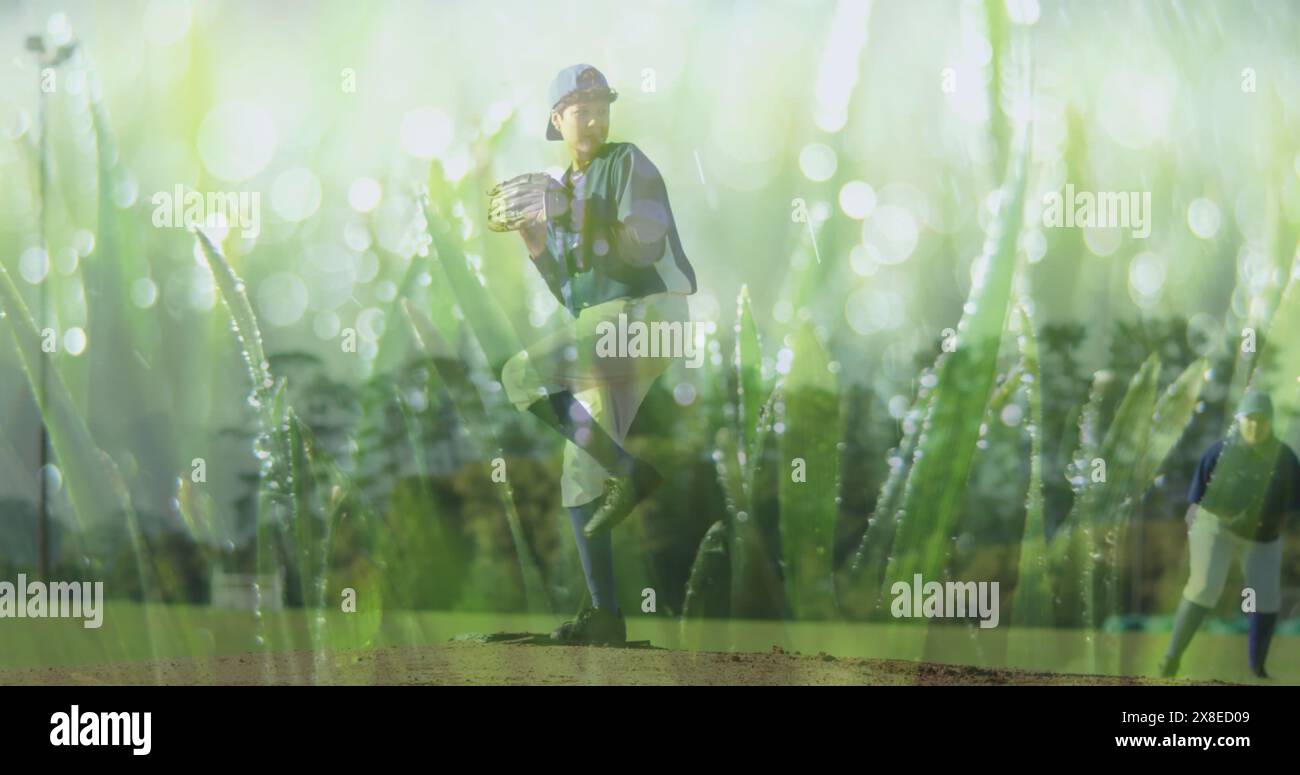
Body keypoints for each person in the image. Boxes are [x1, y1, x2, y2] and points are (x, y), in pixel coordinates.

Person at [498, 64, 697, 644]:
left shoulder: (627, 162)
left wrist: (572, 213)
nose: (595, 116)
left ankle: (630, 472)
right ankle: (606, 617)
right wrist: (536, 245)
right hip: (607, 320)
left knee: (520, 376)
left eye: (601, 105)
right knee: (580, 474)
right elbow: (572, 295)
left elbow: (644, 242)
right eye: (581, 107)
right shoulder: (562, 190)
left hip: (649, 311)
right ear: (556, 121)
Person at [1159, 389, 1300, 678]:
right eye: (1248, 419)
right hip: (1217, 528)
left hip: (1262, 535)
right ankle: (1171, 658)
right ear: (1239, 421)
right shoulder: (1220, 453)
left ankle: (1257, 667)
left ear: (1270, 422)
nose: (1254, 425)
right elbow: (1196, 503)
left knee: (1266, 599)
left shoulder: (1285, 458)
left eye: (1261, 420)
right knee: (1205, 586)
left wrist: (1271, 522)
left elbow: (1292, 508)